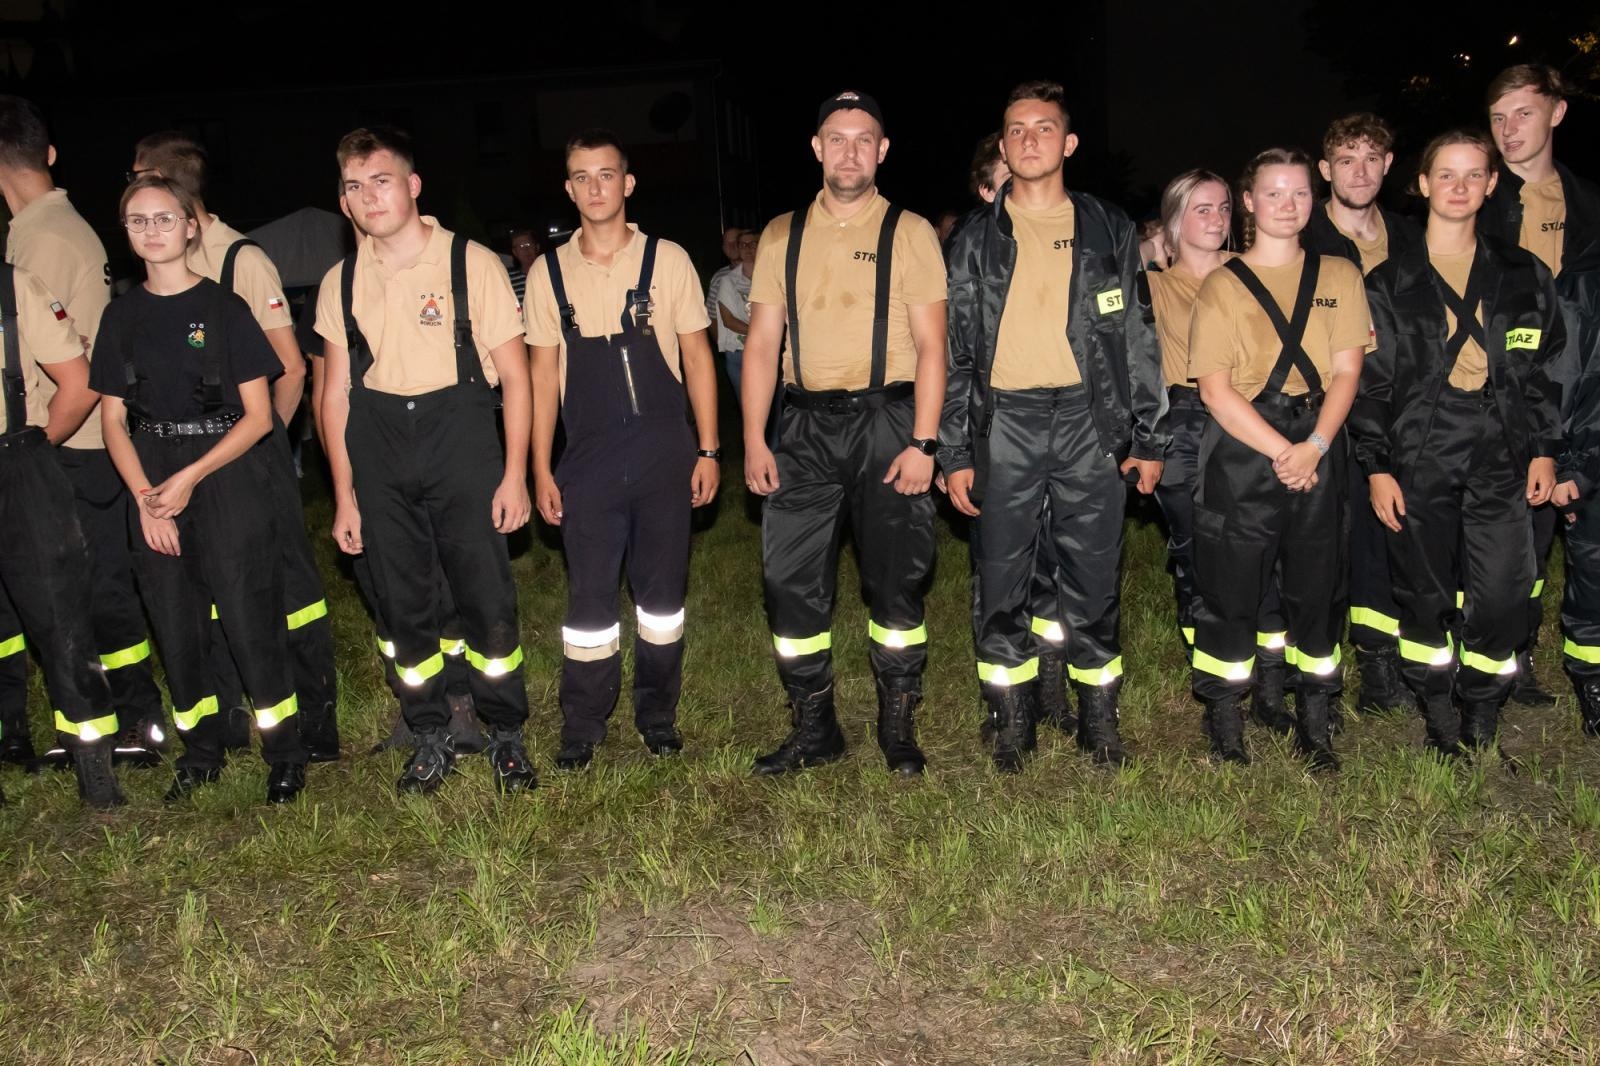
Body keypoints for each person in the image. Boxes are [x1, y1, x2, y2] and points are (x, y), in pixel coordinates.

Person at [942, 80, 1165, 771]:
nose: (1028, 140)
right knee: (1002, 578)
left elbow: (1137, 333)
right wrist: (954, 450)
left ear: (1067, 143)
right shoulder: (974, 240)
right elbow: (953, 353)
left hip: (1086, 422)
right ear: (1003, 146)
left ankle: (1098, 715)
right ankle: (1013, 718)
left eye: (1043, 128)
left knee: (1094, 575)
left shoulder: (1108, 227)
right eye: (1015, 130)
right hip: (1004, 422)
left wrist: (1148, 437)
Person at [315, 126, 536, 795]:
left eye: (380, 181)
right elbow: (332, 394)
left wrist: (515, 474)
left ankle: (505, 733)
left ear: (412, 186)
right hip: (378, 446)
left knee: (483, 595)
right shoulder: (340, 279)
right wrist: (346, 495)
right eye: (353, 186)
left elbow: (518, 378)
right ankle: (430, 731)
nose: (367, 197)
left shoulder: (471, 263)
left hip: (460, 437)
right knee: (402, 600)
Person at [742, 90, 946, 777]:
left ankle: (897, 719)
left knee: (896, 584)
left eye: (864, 139)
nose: (849, 151)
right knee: (787, 581)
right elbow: (763, 344)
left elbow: (932, 347)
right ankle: (814, 725)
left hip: (888, 423)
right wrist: (753, 439)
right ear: (816, 147)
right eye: (837, 138)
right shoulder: (780, 234)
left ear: (882, 151)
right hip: (801, 427)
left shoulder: (910, 231)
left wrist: (924, 444)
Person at [94, 176, 309, 803]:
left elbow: (260, 416)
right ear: (128, 235)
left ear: (191, 226)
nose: (152, 230)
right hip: (150, 469)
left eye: (165, 218)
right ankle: (201, 749)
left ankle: (285, 753)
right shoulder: (121, 316)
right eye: (138, 221)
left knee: (249, 617)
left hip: (223, 468)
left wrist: (187, 480)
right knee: (175, 622)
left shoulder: (224, 308)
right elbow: (112, 418)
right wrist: (145, 499)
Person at [1353, 130, 1562, 758]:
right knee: (1423, 588)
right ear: (1421, 185)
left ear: (1492, 184)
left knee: (1504, 588)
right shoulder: (1388, 281)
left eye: (1475, 175)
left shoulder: (1525, 273)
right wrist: (1376, 465)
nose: (1460, 187)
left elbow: (1549, 365)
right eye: (1446, 174)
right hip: (1420, 443)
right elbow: (1369, 382)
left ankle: (1482, 697)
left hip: (1503, 442)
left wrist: (1546, 447)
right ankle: (1437, 702)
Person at [131, 131, 339, 760]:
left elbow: (292, 368)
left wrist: (262, 455)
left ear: (175, 195)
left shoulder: (238, 261)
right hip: (201, 463)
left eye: (142, 180)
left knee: (291, 594)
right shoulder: (158, 284)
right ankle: (231, 715)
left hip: (253, 456)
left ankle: (315, 720)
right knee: (215, 594)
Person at [527, 129, 720, 769]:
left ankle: (657, 714)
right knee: (588, 605)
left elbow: (697, 357)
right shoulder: (547, 272)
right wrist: (539, 468)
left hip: (667, 450)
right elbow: (540, 378)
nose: (595, 187)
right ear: (568, 188)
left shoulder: (668, 261)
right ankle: (583, 722)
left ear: (627, 183)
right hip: (587, 459)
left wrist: (709, 450)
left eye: (606, 174)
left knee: (661, 600)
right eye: (582, 176)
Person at [1187, 147, 1371, 770]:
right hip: (1244, 445)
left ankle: (1313, 716)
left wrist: (1315, 445)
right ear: (1250, 201)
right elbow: (1214, 389)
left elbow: (1348, 369)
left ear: (1311, 200)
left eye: (1298, 193)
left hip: (1319, 439)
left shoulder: (1341, 274)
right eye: (1273, 193)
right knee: (1231, 586)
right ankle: (1226, 715)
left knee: (1318, 587)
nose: (1287, 205)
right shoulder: (1221, 284)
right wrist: (1284, 452)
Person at [0, 95, 167, 769]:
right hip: (86, 439)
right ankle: (128, 719)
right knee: (91, 586)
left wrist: (36, 448)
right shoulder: (60, 224)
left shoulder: (37, 240)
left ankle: (134, 722)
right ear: (48, 152)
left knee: (91, 591)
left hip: (67, 443)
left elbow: (70, 369)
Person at [1480, 63, 1600, 721]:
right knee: (1507, 536)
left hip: (1584, 390)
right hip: (1506, 397)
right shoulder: (1475, 204)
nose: (1509, 130)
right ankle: (1505, 653)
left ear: (1556, 112)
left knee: (1574, 532)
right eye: (1498, 118)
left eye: (1523, 113)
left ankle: (1566, 662)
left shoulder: (1589, 207)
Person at [1301, 112, 1424, 720]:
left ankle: (1385, 655)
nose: (1360, 170)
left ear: (1389, 165)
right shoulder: (1303, 238)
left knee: (1394, 532)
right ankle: (1332, 664)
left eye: (1371, 158)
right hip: (1328, 410)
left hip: (1408, 409)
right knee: (1336, 540)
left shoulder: (1413, 237)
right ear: (1325, 170)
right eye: (1346, 159)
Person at [1147, 169, 1233, 653]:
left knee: (1249, 540)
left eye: (1223, 207)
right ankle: (1207, 650)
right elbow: (1097, 273)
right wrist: (1150, 247)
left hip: (1250, 415)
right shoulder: (1155, 287)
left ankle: (1257, 648)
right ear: (1175, 219)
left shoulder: (1249, 270)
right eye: (1202, 208)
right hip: (1181, 421)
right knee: (1195, 542)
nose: (1217, 218)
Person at [709, 229, 756, 398]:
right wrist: (723, 344)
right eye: (727, 243)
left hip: (765, 350)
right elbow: (714, 317)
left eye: (752, 244)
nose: (747, 248)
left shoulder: (769, 275)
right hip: (737, 350)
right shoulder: (722, 278)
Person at [705, 225, 742, 323]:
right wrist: (719, 338)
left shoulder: (760, 273)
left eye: (736, 242)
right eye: (728, 243)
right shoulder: (718, 277)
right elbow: (711, 315)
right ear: (724, 249)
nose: (732, 246)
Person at [507, 228, 540, 304]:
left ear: (537, 247)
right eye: (521, 246)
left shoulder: (550, 272)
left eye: (528, 244)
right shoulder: (508, 278)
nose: (526, 249)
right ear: (515, 252)